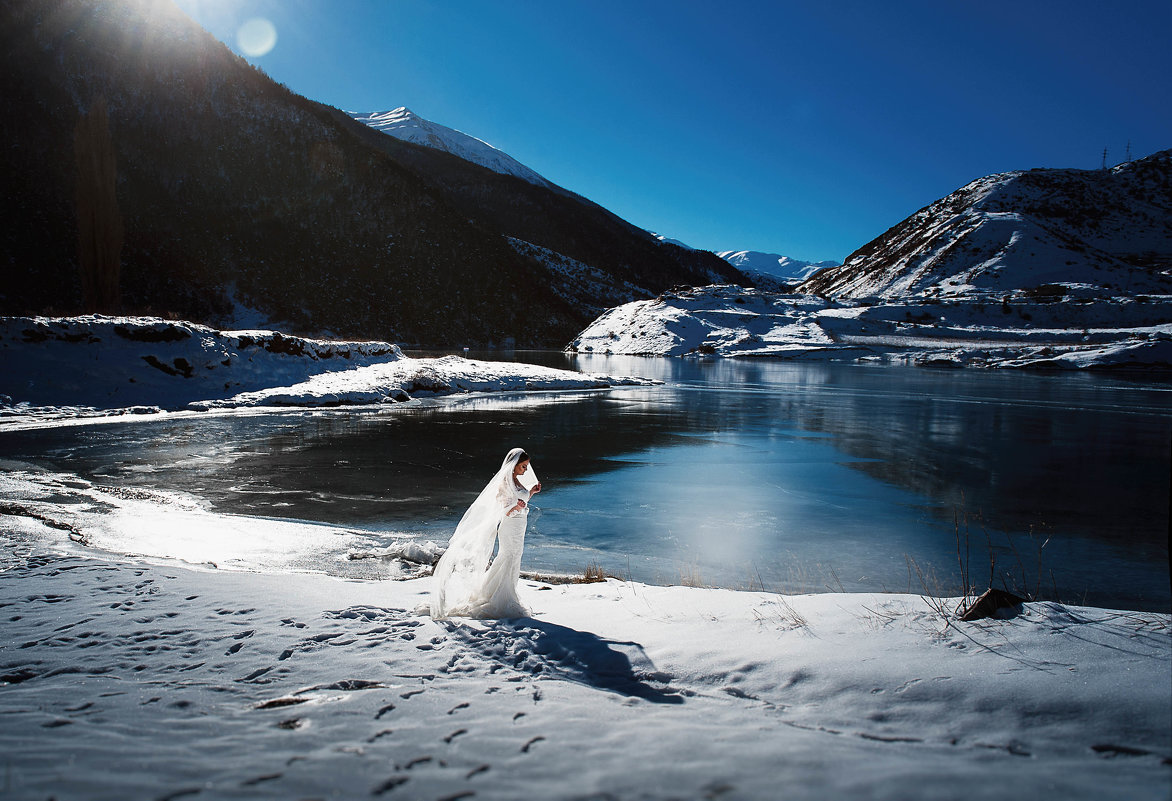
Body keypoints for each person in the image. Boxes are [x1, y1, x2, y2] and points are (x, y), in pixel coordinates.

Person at [430, 448, 541, 619]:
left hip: (519, 526)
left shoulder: (517, 481)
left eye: (526, 466)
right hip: (510, 526)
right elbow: (503, 509)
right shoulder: (505, 483)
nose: (526, 470)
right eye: (523, 466)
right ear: (514, 465)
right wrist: (516, 508)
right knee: (507, 557)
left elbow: (520, 500)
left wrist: (531, 492)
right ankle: (500, 597)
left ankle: (503, 593)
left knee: (514, 557)